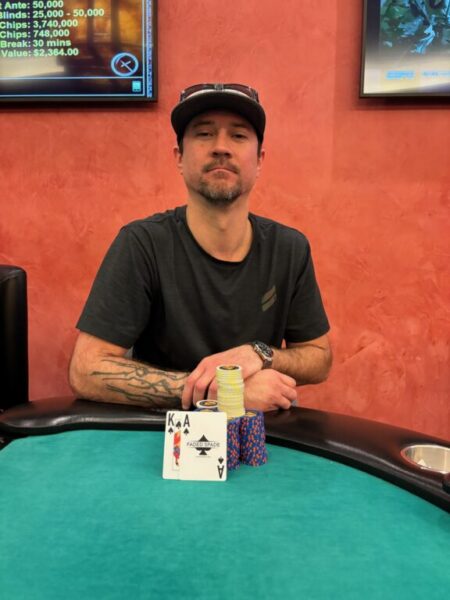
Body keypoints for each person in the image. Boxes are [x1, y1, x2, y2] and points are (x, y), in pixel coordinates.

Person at [69, 83, 332, 412]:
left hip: (255, 430)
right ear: (179, 158)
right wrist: (223, 391)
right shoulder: (142, 243)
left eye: (238, 135)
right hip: (165, 432)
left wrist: (259, 353)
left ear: (259, 160)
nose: (221, 147)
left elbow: (319, 359)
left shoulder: (289, 248)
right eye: (204, 134)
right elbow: (85, 370)